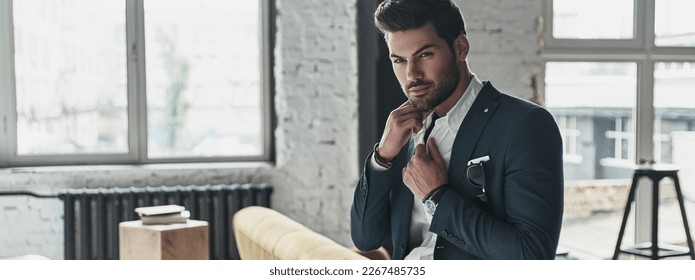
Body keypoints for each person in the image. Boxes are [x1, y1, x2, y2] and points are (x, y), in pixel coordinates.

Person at [350, 0, 564, 260]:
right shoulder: (405, 132)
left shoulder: (525, 125)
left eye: (425, 54)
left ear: (460, 48)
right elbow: (365, 237)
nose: (411, 74)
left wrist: (436, 197)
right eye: (399, 60)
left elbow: (532, 257)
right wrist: (381, 158)